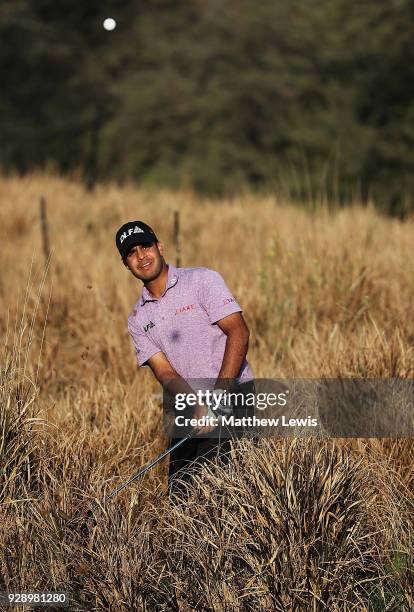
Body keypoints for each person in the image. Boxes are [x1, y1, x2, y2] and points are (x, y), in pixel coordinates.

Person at [115, 220, 254, 496]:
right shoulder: (138, 318)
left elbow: (239, 332)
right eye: (132, 253)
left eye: (146, 246)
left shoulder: (202, 280)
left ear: (160, 247)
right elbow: (165, 372)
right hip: (191, 409)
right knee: (180, 498)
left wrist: (218, 398)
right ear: (126, 264)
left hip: (234, 397)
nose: (141, 256)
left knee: (222, 496)